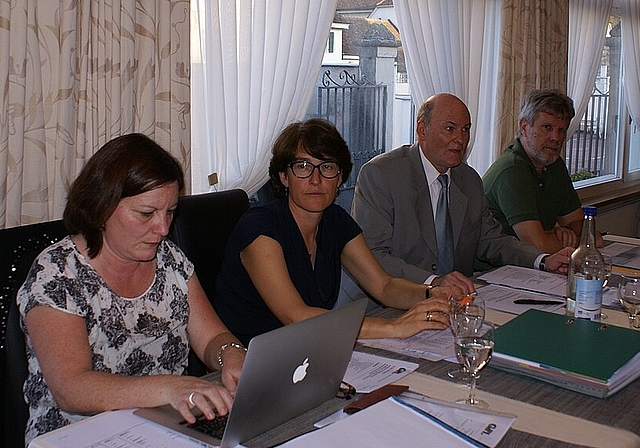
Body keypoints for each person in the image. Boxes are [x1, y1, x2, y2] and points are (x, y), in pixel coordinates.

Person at [17, 134, 245, 445]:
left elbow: (212, 337)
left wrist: (231, 355)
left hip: (163, 425)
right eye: (146, 214)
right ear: (102, 206)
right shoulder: (58, 273)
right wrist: (170, 388)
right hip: (79, 435)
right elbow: (71, 389)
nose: (163, 228)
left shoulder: (169, 259)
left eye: (170, 212)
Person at [214, 118, 458, 347]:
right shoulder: (259, 228)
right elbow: (295, 316)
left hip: (309, 351)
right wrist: (394, 327)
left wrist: (433, 294)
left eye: (327, 167)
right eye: (303, 166)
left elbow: (384, 286)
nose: (316, 180)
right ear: (284, 177)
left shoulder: (335, 221)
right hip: (249, 362)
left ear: (339, 177)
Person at [346, 93, 573, 296]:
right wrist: (433, 283)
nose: (461, 139)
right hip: (395, 302)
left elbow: (492, 240)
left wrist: (543, 261)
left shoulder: (469, 180)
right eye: (450, 128)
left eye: (466, 129)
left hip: (459, 302)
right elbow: (372, 256)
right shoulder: (381, 175)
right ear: (422, 130)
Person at [482, 89, 602, 253]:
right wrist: (555, 235)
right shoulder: (512, 170)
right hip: (494, 270)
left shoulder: (553, 163)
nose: (556, 138)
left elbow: (587, 230)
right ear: (524, 127)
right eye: (547, 127)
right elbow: (539, 246)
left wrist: (561, 234)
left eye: (562, 130)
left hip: (536, 267)